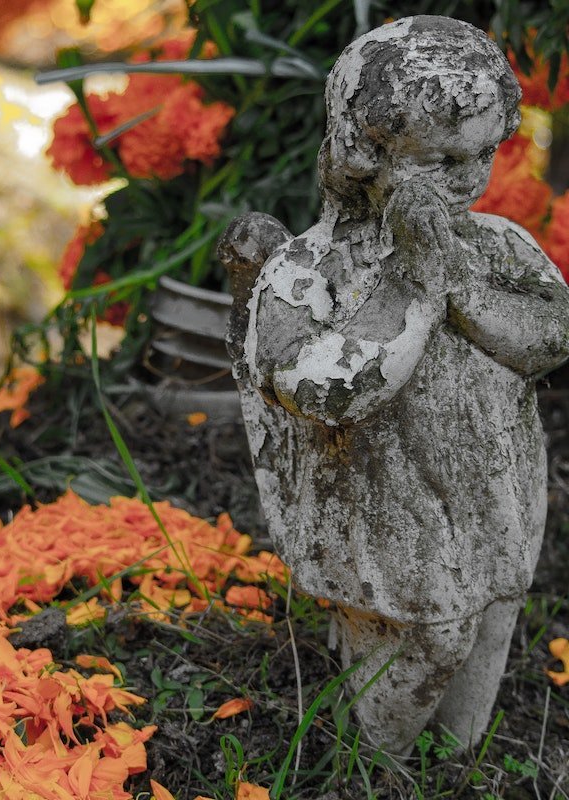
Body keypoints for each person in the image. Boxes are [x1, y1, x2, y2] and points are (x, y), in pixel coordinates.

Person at [219, 15, 569, 754]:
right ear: (361, 150)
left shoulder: (501, 245)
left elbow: (550, 338)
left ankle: (455, 764)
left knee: (488, 635)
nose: (469, 179)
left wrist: (459, 287)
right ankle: (369, 764)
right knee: (432, 641)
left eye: (484, 153)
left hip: (494, 495)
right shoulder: (310, 271)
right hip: (389, 508)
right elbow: (325, 393)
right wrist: (413, 281)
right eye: (440, 161)